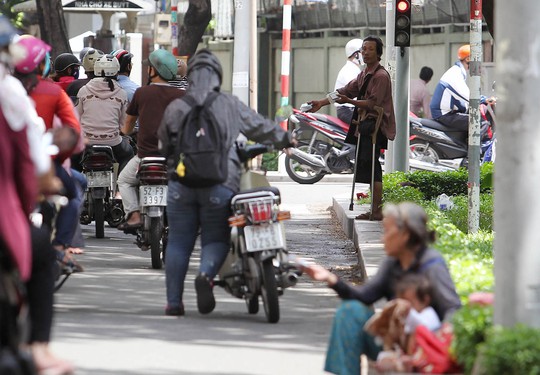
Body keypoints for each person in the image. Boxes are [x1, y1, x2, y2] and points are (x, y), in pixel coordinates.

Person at [158, 49, 295, 316]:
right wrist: (284, 138)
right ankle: (207, 276)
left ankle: (174, 303)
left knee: (178, 242)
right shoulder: (229, 104)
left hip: (180, 187)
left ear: (191, 77)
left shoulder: (175, 107)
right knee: (216, 239)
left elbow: (164, 145)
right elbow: (259, 127)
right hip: (220, 184)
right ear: (217, 76)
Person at [302, 202, 461, 375]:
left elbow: (452, 310)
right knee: (349, 311)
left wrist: (426, 347)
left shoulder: (432, 265)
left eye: (387, 231)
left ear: (405, 235)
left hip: (425, 348)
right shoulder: (393, 263)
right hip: (392, 345)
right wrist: (331, 279)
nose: (382, 238)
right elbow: (364, 296)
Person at [308, 36, 396, 221]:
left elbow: (373, 103)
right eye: (363, 49)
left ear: (378, 53)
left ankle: (377, 210)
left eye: (370, 49)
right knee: (368, 166)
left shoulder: (380, 76)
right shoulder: (364, 74)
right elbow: (344, 91)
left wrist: (349, 101)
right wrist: (322, 103)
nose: (365, 52)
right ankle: (374, 209)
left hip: (376, 126)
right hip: (365, 126)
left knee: (373, 168)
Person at [117, 49, 185, 230]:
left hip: (145, 157)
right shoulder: (182, 96)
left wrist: (124, 132)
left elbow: (129, 123)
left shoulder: (142, 93)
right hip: (171, 159)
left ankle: (134, 214)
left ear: (154, 71)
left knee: (124, 181)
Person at [76, 54, 133, 173]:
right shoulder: (121, 93)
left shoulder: (84, 90)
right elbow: (123, 124)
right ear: (116, 71)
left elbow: (76, 117)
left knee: (73, 159)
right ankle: (119, 186)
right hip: (113, 142)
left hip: (87, 141)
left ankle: (75, 187)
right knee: (128, 153)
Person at [430, 45, 470, 132]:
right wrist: (483, 99)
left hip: (447, 113)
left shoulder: (458, 71)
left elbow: (460, 99)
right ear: (468, 59)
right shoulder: (455, 73)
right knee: (478, 122)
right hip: (444, 114)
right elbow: (466, 95)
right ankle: (476, 146)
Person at [334, 38, 364, 125]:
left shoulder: (354, 69)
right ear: (356, 54)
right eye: (363, 51)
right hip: (347, 110)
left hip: (350, 109)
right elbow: (355, 92)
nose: (365, 54)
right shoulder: (350, 70)